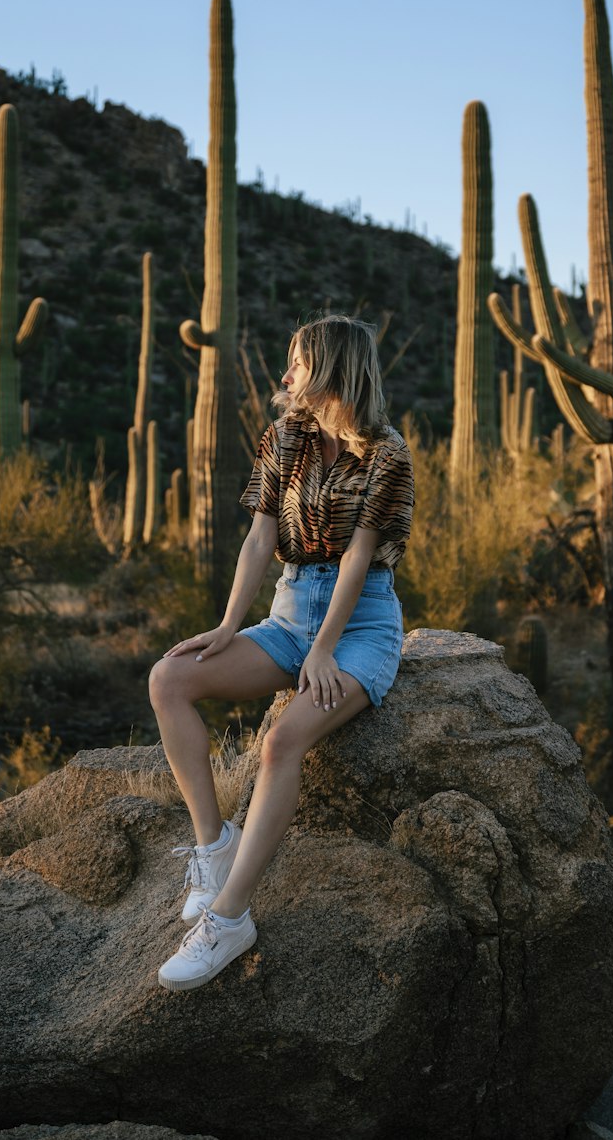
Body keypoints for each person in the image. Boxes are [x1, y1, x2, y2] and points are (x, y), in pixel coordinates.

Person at [149, 314, 415, 992]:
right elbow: (260, 540)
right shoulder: (285, 438)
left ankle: (230, 918)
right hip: (289, 613)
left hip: (362, 626)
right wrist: (227, 626)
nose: (286, 374)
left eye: (297, 361)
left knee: (279, 743)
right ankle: (214, 849)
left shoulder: (388, 454)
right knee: (170, 678)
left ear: (330, 368)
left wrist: (325, 652)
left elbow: (359, 560)